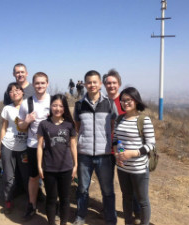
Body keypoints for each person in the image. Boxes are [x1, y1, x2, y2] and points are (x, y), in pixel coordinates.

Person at [73, 70, 118, 225]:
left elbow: (113, 126)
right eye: (89, 82)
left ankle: (111, 219)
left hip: (104, 154)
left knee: (107, 190)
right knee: (82, 188)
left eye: (95, 82)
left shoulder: (109, 103)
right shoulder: (79, 105)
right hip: (84, 154)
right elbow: (78, 127)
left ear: (100, 84)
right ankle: (80, 216)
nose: (92, 85)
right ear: (85, 84)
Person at [103, 69, 141, 224]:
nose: (111, 85)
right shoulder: (102, 101)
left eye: (114, 82)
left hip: (123, 149)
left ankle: (137, 213)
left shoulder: (125, 101)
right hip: (105, 148)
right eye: (108, 83)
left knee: (131, 184)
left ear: (119, 83)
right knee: (108, 184)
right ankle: (109, 213)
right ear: (104, 85)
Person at [113, 87, 156, 225]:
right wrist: (117, 155)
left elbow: (151, 144)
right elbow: (115, 139)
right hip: (123, 168)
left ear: (136, 101)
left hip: (139, 168)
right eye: (123, 100)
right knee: (126, 198)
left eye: (128, 100)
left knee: (142, 200)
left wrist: (133, 153)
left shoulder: (144, 120)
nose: (125, 103)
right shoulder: (119, 119)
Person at [37, 94, 78, 225]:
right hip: (49, 167)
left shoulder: (69, 125)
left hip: (66, 167)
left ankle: (63, 223)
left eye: (60, 106)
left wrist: (75, 164)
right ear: (50, 106)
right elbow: (39, 146)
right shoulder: (44, 124)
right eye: (54, 105)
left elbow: (73, 146)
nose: (57, 108)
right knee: (51, 198)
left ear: (64, 108)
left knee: (65, 199)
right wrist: (39, 166)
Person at [18, 72, 51, 219]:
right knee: (33, 177)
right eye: (37, 83)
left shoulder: (53, 100)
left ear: (47, 84)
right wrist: (27, 121)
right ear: (33, 84)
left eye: (42, 83)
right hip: (32, 145)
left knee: (50, 177)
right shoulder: (26, 103)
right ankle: (32, 205)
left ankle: (51, 206)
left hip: (51, 146)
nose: (40, 86)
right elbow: (20, 125)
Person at [0, 82, 28, 214]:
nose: (14, 92)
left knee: (27, 176)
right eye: (11, 91)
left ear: (22, 91)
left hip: (24, 147)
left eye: (17, 89)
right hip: (8, 145)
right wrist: (0, 146)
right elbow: (4, 128)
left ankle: (31, 201)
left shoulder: (29, 107)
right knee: (9, 177)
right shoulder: (7, 109)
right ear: (9, 95)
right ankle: (8, 201)